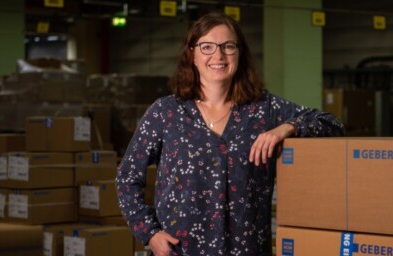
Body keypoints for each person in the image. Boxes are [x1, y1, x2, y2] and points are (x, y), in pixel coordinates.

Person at [116, 12, 344, 256]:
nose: (218, 55)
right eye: (207, 47)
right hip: (181, 250)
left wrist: (286, 128)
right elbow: (127, 177)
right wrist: (150, 233)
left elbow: (332, 124)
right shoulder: (166, 112)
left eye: (228, 46)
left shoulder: (263, 109)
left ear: (240, 54)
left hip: (247, 250)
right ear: (192, 54)